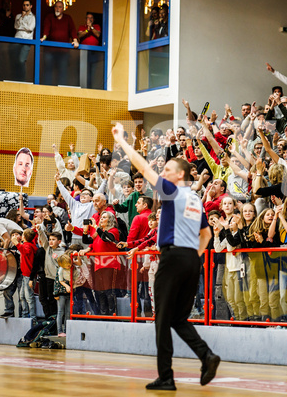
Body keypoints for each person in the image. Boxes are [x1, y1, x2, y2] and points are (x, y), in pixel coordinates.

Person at [111, 122, 220, 390]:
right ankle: (206, 356)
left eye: (169, 169)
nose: (164, 171)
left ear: (180, 176)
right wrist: (191, 256)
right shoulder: (195, 199)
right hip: (192, 260)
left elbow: (144, 167)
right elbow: (206, 236)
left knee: (162, 318)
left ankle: (167, 377)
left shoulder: (172, 192)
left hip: (172, 259)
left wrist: (123, 142)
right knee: (178, 318)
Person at [40, 0, 79, 86]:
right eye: (56, 7)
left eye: (60, 7)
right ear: (54, 8)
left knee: (62, 72)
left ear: (63, 9)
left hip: (63, 51)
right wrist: (44, 37)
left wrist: (75, 40)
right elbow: (46, 29)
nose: (57, 9)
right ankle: (47, 89)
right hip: (50, 50)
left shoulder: (68, 18)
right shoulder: (49, 17)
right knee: (48, 70)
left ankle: (61, 90)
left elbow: (72, 30)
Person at [13, 0, 36, 81]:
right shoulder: (18, 16)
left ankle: (22, 79)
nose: (25, 6)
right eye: (24, 5)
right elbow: (16, 26)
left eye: (27, 5)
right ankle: (15, 78)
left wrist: (22, 27)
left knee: (21, 60)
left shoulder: (33, 17)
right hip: (17, 39)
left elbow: (30, 28)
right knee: (15, 60)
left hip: (27, 40)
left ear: (31, 6)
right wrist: (22, 17)